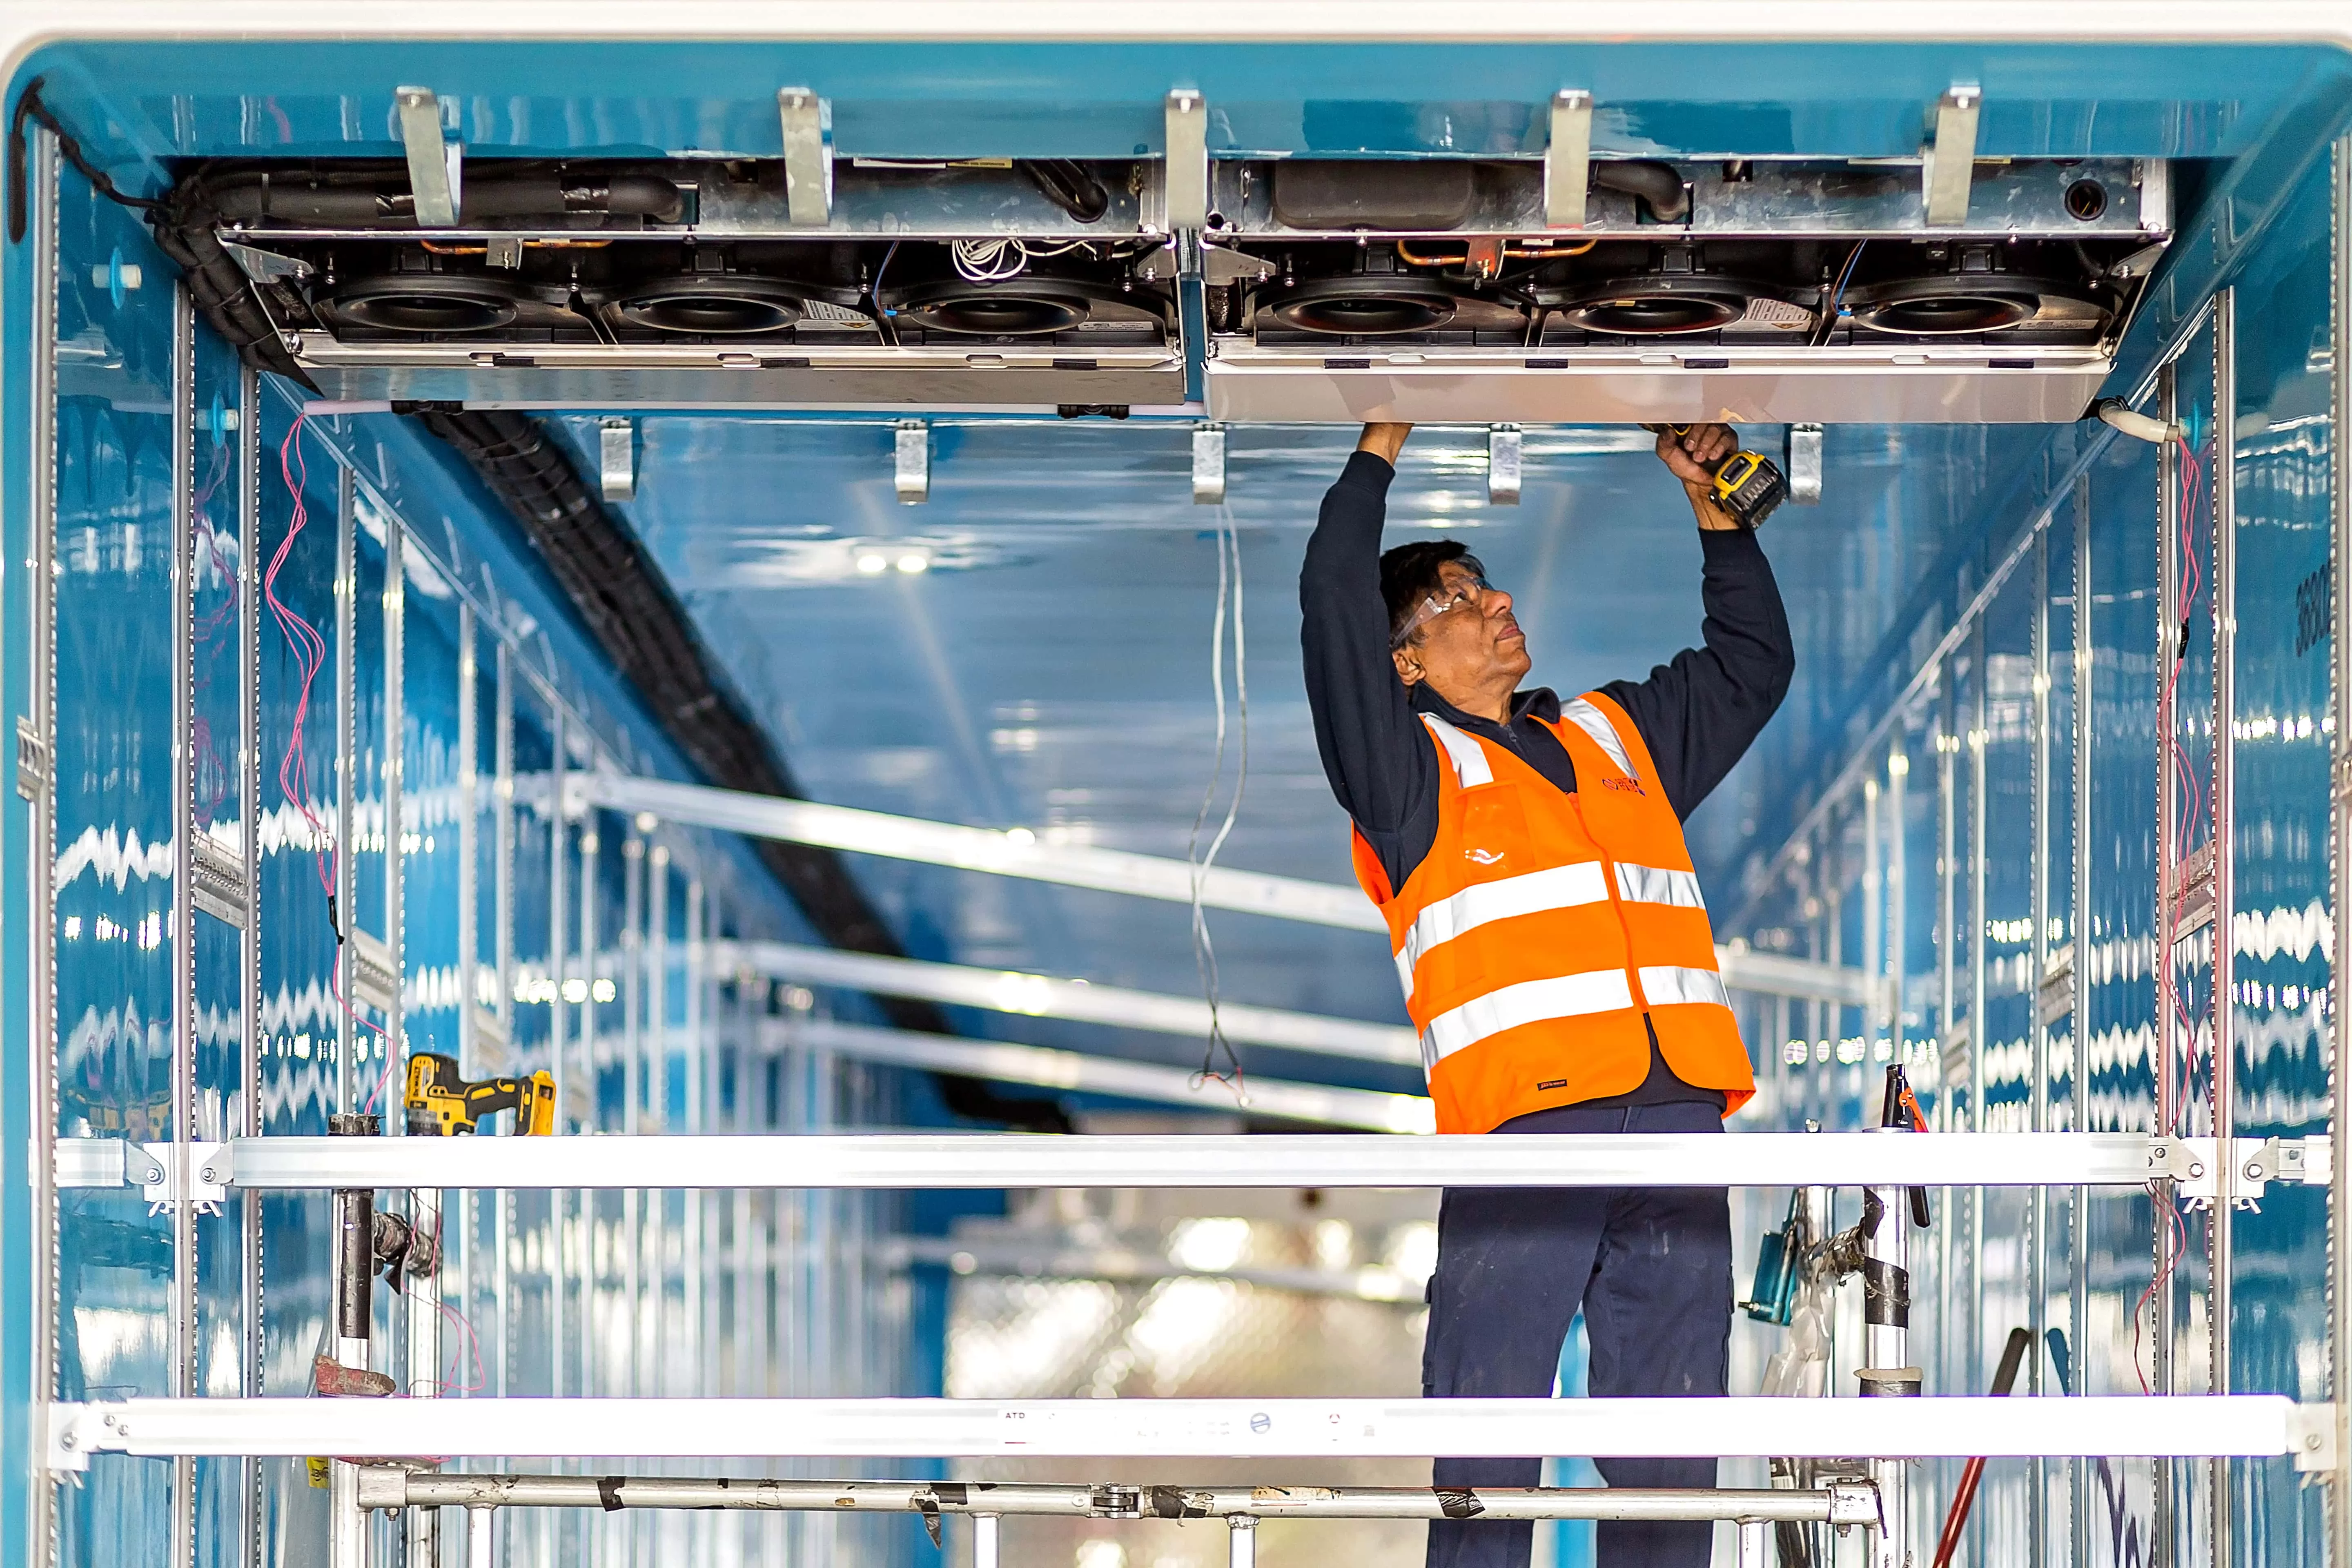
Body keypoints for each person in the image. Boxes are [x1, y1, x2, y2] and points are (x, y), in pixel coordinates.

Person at [1299, 421, 1794, 1568]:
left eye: (1486, 585)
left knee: (1671, 1448)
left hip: (1676, 1120)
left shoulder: (1618, 734)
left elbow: (1751, 667)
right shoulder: (1408, 779)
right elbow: (1334, 600)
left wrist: (1715, 506)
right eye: (1458, 600)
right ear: (1404, 664)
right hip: (1528, 1133)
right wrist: (1383, 436)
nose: (1493, 601)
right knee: (1491, 1437)